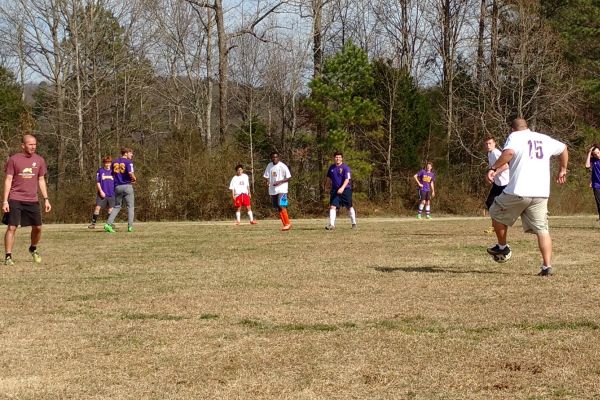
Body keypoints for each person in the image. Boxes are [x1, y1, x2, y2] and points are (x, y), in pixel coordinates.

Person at [486, 118, 568, 276]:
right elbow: (563, 148)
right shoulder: (544, 138)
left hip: (519, 190)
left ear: (513, 129)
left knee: (495, 211)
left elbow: (509, 153)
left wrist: (493, 167)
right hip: (541, 192)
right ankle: (547, 266)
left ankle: (503, 247)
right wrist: (563, 169)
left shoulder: (515, 137)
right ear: (527, 127)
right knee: (542, 229)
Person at [2, 134, 51, 266]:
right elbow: (8, 180)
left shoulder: (40, 160)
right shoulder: (14, 160)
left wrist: (46, 199)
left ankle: (33, 248)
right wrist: (5, 201)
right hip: (15, 198)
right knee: (12, 227)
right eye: (30, 144)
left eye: (34, 144)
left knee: (38, 227)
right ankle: (8, 256)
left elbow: (41, 180)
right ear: (23, 146)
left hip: (32, 199)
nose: (33, 146)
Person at [104, 147, 136, 233]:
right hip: (127, 186)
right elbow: (130, 173)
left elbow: (111, 174)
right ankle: (130, 227)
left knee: (117, 206)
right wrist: (134, 178)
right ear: (125, 153)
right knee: (130, 207)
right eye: (130, 153)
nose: (132, 155)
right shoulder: (128, 162)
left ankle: (108, 224)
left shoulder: (114, 162)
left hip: (117, 187)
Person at [484, 137, 510, 233]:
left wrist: (494, 173)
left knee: (502, 206)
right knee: (490, 203)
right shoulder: (490, 153)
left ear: (494, 143)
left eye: (490, 143)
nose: (488, 146)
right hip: (497, 184)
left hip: (505, 183)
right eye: (486, 144)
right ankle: (494, 226)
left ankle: (500, 225)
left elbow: (506, 165)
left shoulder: (496, 153)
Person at [325, 152, 357, 230]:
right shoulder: (331, 168)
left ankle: (354, 223)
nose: (338, 158)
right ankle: (332, 225)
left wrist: (342, 188)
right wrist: (326, 186)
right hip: (335, 190)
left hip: (345, 190)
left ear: (342, 158)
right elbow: (329, 178)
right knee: (333, 206)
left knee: (349, 207)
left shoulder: (346, 168)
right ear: (334, 158)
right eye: (336, 157)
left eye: (339, 157)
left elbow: (347, 179)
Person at [263, 152, 292, 231]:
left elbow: (289, 177)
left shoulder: (282, 166)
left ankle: (288, 224)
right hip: (273, 189)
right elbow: (267, 176)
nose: (274, 159)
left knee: (281, 204)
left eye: (276, 157)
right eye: (273, 157)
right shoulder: (269, 165)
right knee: (278, 207)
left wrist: (279, 182)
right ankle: (285, 224)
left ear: (278, 158)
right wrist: (267, 181)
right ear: (271, 158)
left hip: (282, 188)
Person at [88, 156, 115, 229]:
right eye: (106, 163)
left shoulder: (113, 171)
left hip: (111, 193)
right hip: (102, 193)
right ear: (104, 163)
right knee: (97, 207)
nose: (107, 164)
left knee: (111, 209)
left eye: (109, 163)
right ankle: (93, 224)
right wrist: (101, 191)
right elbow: (98, 182)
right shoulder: (100, 171)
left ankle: (109, 224)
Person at [585, 144, 600, 221]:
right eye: (595, 154)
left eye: (598, 152)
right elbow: (587, 166)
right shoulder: (593, 160)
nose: (597, 155)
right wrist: (589, 152)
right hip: (596, 185)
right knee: (599, 203)